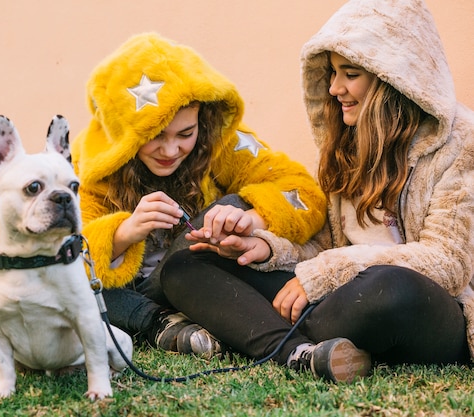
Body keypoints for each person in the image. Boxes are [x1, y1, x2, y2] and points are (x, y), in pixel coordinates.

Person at [161, 0, 474, 383]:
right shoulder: (346, 144)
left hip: (424, 307)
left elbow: (448, 262)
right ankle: (302, 353)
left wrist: (322, 274)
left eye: (351, 73)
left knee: (389, 286)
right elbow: (324, 246)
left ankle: (246, 328)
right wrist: (266, 250)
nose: (334, 88)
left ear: (394, 77)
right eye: (332, 73)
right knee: (188, 264)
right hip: (338, 299)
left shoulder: (460, 143)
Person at [70, 33, 327, 358]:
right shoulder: (94, 160)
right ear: (126, 131)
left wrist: (250, 218)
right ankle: (159, 323)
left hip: (198, 277)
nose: (170, 149)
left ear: (200, 122)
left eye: (185, 133)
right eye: (154, 136)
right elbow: (70, 256)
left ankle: (170, 323)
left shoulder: (220, 141)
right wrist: (124, 233)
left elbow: (303, 192)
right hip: (129, 293)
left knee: (230, 205)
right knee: (71, 288)